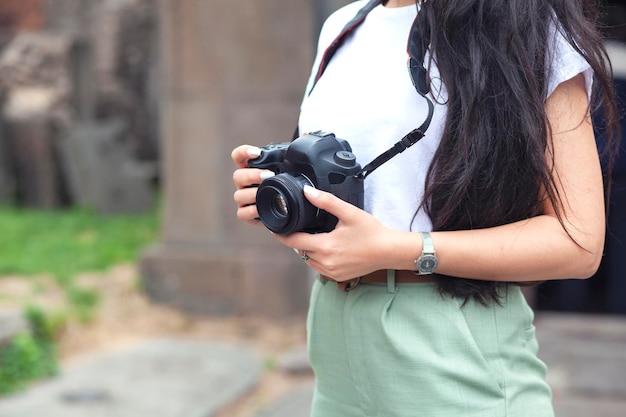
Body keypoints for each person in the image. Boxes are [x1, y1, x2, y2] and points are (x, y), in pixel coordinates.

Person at [231, 0, 620, 416]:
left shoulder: (524, 24)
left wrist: (398, 249)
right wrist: (282, 197)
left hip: (451, 343)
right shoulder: (343, 26)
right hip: (335, 338)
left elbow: (578, 242)